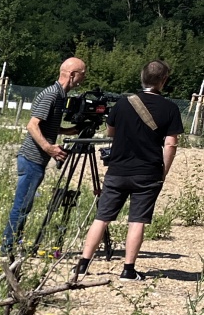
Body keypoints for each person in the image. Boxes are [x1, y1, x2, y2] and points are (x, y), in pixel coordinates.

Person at [72, 60, 184, 281]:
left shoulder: (123, 103)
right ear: (164, 80)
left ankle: (83, 264)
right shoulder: (170, 108)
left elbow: (110, 132)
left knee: (102, 217)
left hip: (117, 169)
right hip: (147, 171)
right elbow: (170, 144)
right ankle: (128, 270)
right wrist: (164, 171)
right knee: (137, 220)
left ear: (142, 78)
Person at [1, 56, 87, 253]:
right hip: (32, 159)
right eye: (82, 75)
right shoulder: (51, 95)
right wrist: (49, 148)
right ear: (72, 74)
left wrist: (67, 131)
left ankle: (14, 244)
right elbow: (32, 125)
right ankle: (8, 248)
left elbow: (47, 126)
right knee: (22, 206)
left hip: (37, 160)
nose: (82, 80)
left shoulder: (60, 95)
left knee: (25, 205)